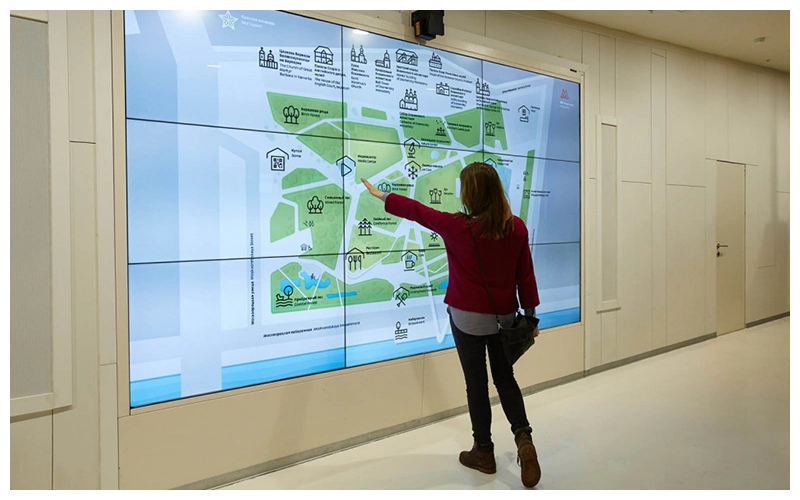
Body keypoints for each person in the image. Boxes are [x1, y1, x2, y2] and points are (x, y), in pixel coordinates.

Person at [361, 162, 542, 488]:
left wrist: (382, 195)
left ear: (469, 193)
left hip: (466, 319)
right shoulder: (515, 228)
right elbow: (525, 276)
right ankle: (523, 438)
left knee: (477, 384)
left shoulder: (457, 226)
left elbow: (418, 211)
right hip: (503, 320)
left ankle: (483, 451)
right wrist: (530, 318)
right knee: (505, 380)